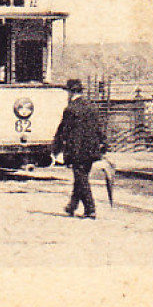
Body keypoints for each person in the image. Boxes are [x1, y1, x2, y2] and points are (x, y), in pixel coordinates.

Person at [52, 78, 107, 219]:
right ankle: (72, 205)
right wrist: (103, 144)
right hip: (91, 149)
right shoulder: (91, 107)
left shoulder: (70, 109)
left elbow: (63, 130)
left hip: (77, 150)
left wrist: (56, 148)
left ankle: (90, 209)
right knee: (81, 177)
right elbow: (99, 128)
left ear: (70, 92)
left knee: (81, 178)